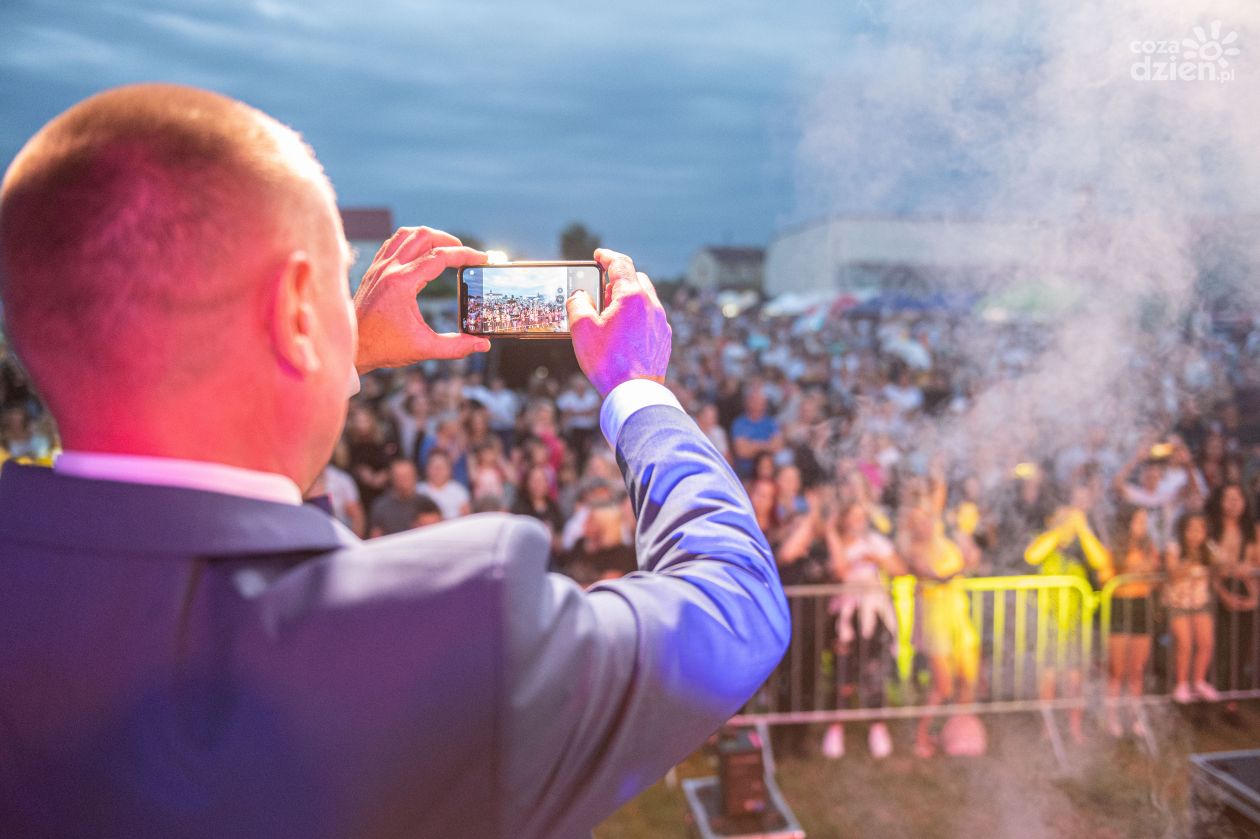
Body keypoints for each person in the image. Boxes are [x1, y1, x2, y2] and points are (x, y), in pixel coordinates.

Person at [0, 84, 789, 839]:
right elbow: (736, 609)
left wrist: (344, 357)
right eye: (339, 284)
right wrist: (636, 390)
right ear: (295, 308)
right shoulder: (443, 630)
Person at [1023, 485, 1110, 743]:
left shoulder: (1083, 546)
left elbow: (1102, 562)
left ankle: (1074, 727)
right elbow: (1031, 555)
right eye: (1064, 516)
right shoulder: (1045, 540)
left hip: (1076, 624)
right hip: (1046, 623)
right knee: (1047, 677)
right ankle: (1046, 727)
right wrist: (1058, 530)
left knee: (1075, 679)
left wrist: (1082, 529)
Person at [820, 502, 905, 760]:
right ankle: (836, 728)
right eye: (853, 516)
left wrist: (876, 558)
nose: (858, 521)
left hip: (875, 616)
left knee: (874, 671)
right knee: (843, 671)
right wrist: (831, 533)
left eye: (861, 516)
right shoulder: (836, 544)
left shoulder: (876, 542)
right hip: (846, 618)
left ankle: (877, 728)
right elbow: (840, 572)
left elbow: (899, 570)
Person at [1098, 505, 1159, 737]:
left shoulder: (1149, 547)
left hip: (1141, 607)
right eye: (1139, 521)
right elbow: (1106, 581)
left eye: (1145, 521)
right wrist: (1132, 573)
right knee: (1117, 668)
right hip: (1119, 607)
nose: (1143, 526)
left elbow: (1154, 577)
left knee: (1137, 668)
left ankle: (1135, 716)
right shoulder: (1112, 548)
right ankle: (1111, 716)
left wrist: (1145, 575)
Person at [1165, 511, 1220, 703]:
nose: (1195, 534)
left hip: (1200, 602)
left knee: (1206, 642)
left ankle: (1199, 680)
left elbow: (1222, 564)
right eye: (1191, 529)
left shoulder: (1209, 548)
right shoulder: (1174, 547)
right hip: (1178, 603)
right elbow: (1173, 573)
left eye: (1200, 530)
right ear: (1183, 530)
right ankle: (1181, 684)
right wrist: (1189, 565)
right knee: (1185, 643)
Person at [368, 458, 428, 537]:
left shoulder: (427, 504)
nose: (404, 480)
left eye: (407, 476)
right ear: (392, 478)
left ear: (415, 476)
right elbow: (375, 538)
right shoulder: (381, 506)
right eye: (399, 476)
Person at [415, 447, 471, 520]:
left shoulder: (459, 491)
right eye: (434, 467)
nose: (437, 472)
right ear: (427, 469)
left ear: (449, 470)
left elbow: (466, 517)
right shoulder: (418, 490)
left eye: (441, 468)